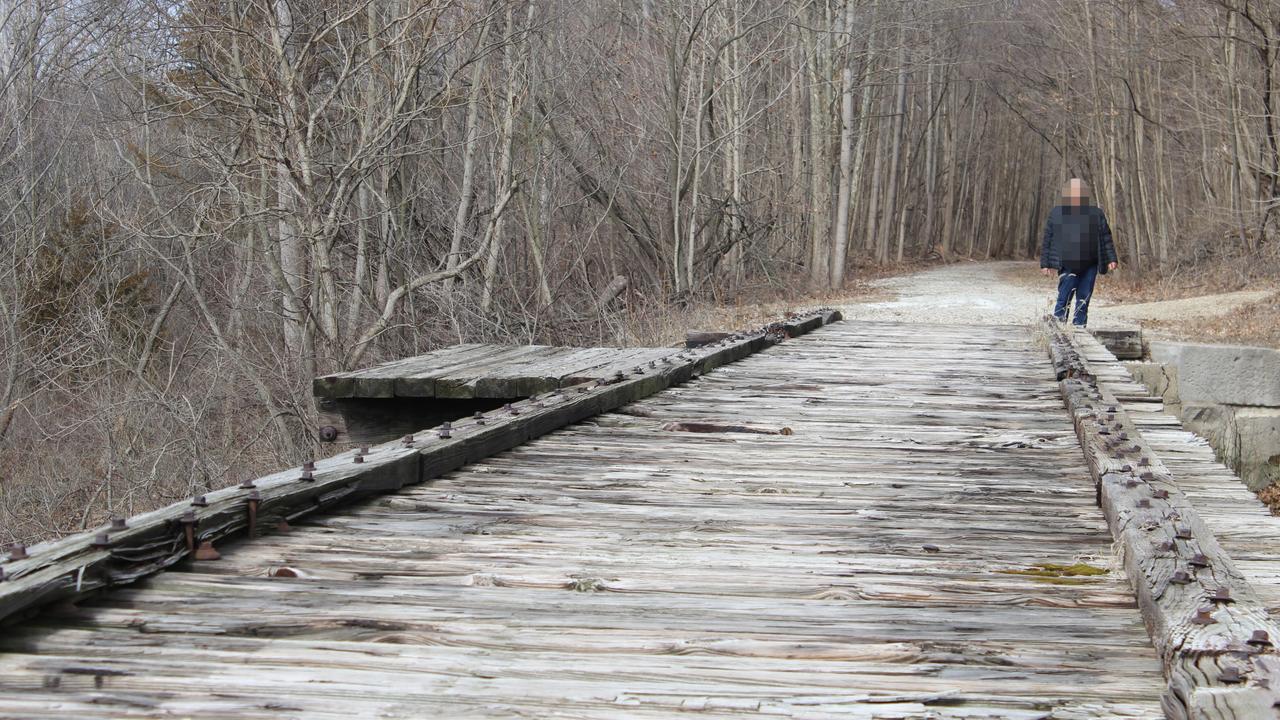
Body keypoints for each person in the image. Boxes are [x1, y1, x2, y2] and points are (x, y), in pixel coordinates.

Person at [1040, 178, 1118, 326]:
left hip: (1090, 264)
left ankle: (1079, 329)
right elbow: (1048, 239)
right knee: (1064, 297)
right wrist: (1045, 264)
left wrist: (1111, 258)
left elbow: (1106, 237)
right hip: (1067, 265)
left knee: (1083, 299)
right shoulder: (1057, 214)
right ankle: (1058, 327)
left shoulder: (1096, 214)